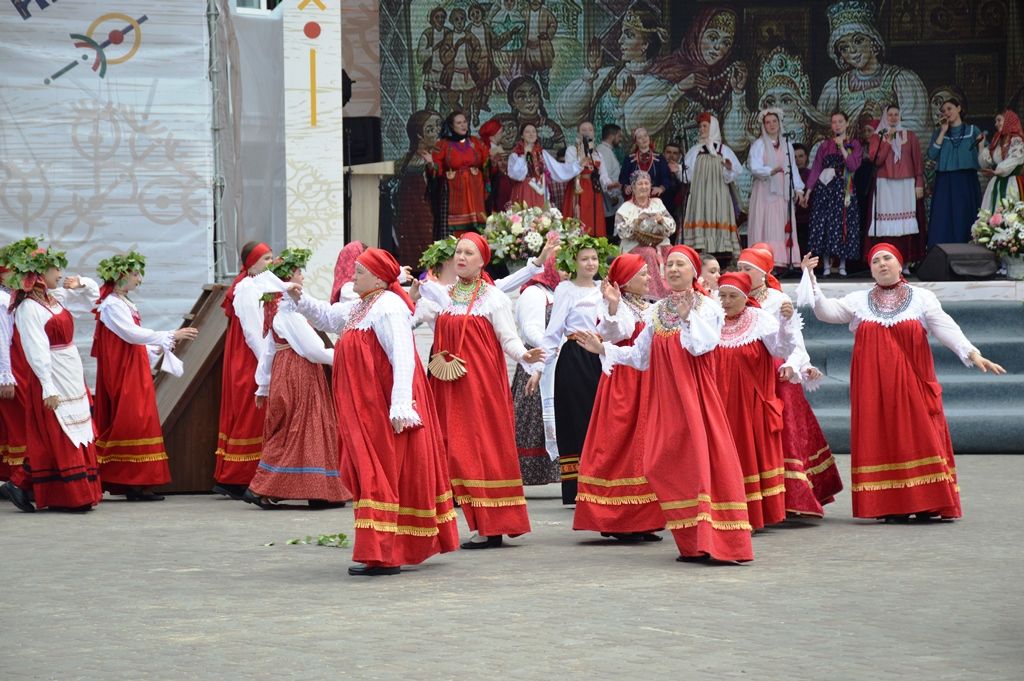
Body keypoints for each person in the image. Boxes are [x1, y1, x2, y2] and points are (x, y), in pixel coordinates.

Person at [801, 243, 1006, 521]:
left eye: (888, 258)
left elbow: (944, 327)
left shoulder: (921, 297)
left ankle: (927, 502)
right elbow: (826, 311)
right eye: (875, 261)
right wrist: (810, 279)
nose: (882, 264)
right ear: (871, 269)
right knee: (880, 437)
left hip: (912, 382)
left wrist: (971, 353)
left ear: (899, 264)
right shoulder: (859, 300)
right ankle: (889, 504)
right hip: (873, 386)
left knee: (918, 436)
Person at [575, 245, 753, 563]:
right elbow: (639, 357)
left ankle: (716, 541)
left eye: (680, 264)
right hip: (665, 399)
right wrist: (602, 349)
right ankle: (690, 540)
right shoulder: (655, 312)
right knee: (660, 463)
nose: (672, 270)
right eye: (668, 264)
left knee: (700, 465)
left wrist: (687, 319)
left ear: (694, 271)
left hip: (696, 398)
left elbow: (702, 346)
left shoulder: (707, 307)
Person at [292, 248, 459, 575]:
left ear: (380, 278)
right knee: (364, 471)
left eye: (360, 271)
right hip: (359, 407)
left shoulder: (389, 306)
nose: (353, 276)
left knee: (376, 473)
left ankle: (383, 553)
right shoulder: (361, 306)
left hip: (378, 409)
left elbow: (403, 356)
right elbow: (327, 317)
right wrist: (300, 297)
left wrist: (399, 403)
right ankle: (380, 548)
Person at [414, 233, 543, 548]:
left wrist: (525, 357)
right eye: (458, 252)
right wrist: (409, 297)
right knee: (449, 450)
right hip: (447, 383)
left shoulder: (493, 297)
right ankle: (444, 521)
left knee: (477, 448)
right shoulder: (443, 296)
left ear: (482, 260)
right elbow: (412, 320)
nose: (461, 257)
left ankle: (492, 523)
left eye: (469, 253)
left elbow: (508, 337)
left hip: (480, 386)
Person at [739, 245, 843, 514]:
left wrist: (793, 364)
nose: (742, 273)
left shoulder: (776, 299)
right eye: (739, 268)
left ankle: (791, 497)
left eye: (747, 269)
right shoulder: (730, 297)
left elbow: (794, 339)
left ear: (763, 274)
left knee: (784, 434)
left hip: (775, 374)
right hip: (744, 373)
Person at [246, 249, 352, 509]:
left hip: (287, 372)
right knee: (307, 427)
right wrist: (345, 358)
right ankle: (288, 489)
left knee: (296, 429)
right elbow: (312, 350)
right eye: (299, 273)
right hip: (300, 374)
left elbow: (269, 351)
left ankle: (313, 490)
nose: (302, 278)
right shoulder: (288, 314)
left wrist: (264, 385)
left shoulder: (277, 311)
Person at [572, 254, 665, 541]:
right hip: (623, 382)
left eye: (648, 273)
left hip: (648, 381)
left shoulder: (652, 308)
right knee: (619, 444)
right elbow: (612, 334)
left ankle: (644, 517)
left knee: (647, 446)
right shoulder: (616, 307)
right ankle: (619, 517)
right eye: (642, 274)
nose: (648, 278)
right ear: (625, 280)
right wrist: (612, 305)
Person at [3, 247, 102, 512]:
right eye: (54, 269)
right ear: (39, 274)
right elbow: (36, 350)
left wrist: (83, 283)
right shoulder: (28, 309)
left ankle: (21, 483)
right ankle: (67, 494)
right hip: (51, 374)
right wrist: (47, 385)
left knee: (67, 430)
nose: (59, 273)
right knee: (56, 432)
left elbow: (95, 301)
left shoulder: (56, 298)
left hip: (70, 370)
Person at [92, 251, 196, 502]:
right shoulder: (111, 305)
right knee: (133, 418)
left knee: (141, 416)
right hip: (123, 370)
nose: (139, 279)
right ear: (121, 275)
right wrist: (170, 334)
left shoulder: (122, 302)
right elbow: (131, 334)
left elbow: (133, 339)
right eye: (136, 274)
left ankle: (137, 482)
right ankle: (129, 480)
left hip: (132, 364)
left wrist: (156, 347)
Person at [529, 235, 616, 505]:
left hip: (602, 355)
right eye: (584, 259)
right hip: (576, 356)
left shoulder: (606, 288)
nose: (590, 263)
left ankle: (604, 482)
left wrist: (612, 303)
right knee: (579, 419)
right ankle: (578, 486)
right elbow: (553, 333)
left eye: (594, 258)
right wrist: (538, 368)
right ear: (574, 262)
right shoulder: (566, 289)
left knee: (605, 419)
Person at [714, 271, 804, 530]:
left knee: (749, 453)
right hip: (720, 400)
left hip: (751, 403)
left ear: (745, 297)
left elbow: (781, 350)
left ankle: (754, 514)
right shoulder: (713, 320)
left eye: (733, 296)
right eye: (722, 296)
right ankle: (726, 512)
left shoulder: (760, 320)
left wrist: (787, 323)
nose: (727, 301)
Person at [815, 0, 929, 156]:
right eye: (844, 47)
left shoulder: (901, 79)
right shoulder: (835, 86)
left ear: (874, 42)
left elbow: (919, 132)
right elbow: (823, 132)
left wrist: (883, 120)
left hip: (888, 164)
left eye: (858, 40)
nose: (852, 50)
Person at [624, 7, 742, 144]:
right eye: (713, 37)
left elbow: (735, 142)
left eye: (726, 43)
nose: (717, 47)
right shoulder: (670, 69)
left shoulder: (723, 81)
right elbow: (633, 120)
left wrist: (738, 93)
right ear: (697, 35)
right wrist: (678, 89)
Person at [214, 241, 274, 499]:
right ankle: (236, 476)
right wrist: (266, 363)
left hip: (252, 356)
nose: (271, 263)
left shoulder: (258, 285)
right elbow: (252, 330)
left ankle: (242, 475)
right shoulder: (247, 289)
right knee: (250, 414)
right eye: (266, 259)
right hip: (250, 357)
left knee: (252, 415)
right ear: (252, 263)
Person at [555, 3, 665, 132]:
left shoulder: (655, 86)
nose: (620, 40)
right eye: (622, 33)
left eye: (629, 35)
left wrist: (624, 105)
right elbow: (566, 116)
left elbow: (635, 137)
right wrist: (590, 74)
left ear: (645, 44)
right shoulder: (609, 75)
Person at [511, 256, 562, 486]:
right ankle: (526, 471)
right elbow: (530, 329)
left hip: (557, 360)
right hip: (537, 358)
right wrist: (552, 344)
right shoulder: (534, 293)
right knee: (533, 415)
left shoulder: (561, 292)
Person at [800, 111, 863, 277]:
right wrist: (808, 191)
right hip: (825, 189)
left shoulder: (854, 144)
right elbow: (816, 168)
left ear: (847, 123)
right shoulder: (824, 145)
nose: (837, 125)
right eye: (834, 122)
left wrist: (842, 147)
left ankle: (842, 264)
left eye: (840, 121)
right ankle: (826, 264)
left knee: (843, 223)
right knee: (825, 224)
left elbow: (853, 166)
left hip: (843, 189)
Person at [864, 104, 926, 271]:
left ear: (900, 116)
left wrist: (919, 183)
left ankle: (905, 262)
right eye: (889, 114)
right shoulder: (878, 136)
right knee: (886, 228)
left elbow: (917, 161)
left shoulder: (910, 136)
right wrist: (888, 141)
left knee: (905, 226)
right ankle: (886, 262)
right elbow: (876, 160)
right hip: (884, 184)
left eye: (896, 114)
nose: (893, 118)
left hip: (905, 184)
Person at [748, 110, 805, 270]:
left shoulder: (787, 145)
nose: (771, 125)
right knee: (767, 224)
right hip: (765, 190)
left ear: (779, 123)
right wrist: (771, 170)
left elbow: (792, 168)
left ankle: (783, 261)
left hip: (782, 191)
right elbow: (754, 167)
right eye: (768, 122)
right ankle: (764, 261)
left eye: (774, 121)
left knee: (781, 226)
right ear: (763, 125)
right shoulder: (759, 144)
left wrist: (799, 189)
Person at [682, 112, 743, 263]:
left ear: (713, 127)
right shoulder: (695, 151)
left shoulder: (724, 150)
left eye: (705, 126)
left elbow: (734, 174)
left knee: (719, 218)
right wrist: (677, 170)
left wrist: (728, 168)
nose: (701, 129)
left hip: (719, 195)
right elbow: (688, 176)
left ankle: (722, 257)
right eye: (700, 127)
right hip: (700, 196)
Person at [926, 98, 982, 246]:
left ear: (959, 108)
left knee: (964, 215)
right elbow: (931, 154)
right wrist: (943, 131)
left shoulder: (972, 130)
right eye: (943, 111)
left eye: (949, 108)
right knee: (943, 216)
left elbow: (984, 156)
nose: (946, 112)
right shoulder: (940, 132)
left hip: (966, 180)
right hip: (945, 180)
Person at [426, 111, 491, 237]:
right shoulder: (443, 145)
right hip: (454, 192)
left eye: (465, 122)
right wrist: (430, 164)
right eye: (459, 123)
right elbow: (437, 171)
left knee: (478, 232)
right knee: (454, 235)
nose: (463, 125)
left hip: (475, 192)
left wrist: (492, 162)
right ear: (452, 126)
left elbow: (487, 165)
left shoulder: (476, 143)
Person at [614, 170, 675, 298]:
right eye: (640, 184)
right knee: (649, 252)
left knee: (672, 252)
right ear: (633, 188)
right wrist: (638, 220)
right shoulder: (625, 208)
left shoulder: (657, 203)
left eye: (646, 183)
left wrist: (662, 220)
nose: (644, 187)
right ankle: (654, 295)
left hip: (659, 242)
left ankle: (674, 292)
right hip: (634, 246)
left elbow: (672, 226)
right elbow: (621, 232)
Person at [395, 110, 443, 268]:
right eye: (430, 129)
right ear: (419, 136)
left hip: (434, 212)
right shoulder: (408, 159)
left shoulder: (442, 155)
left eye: (438, 126)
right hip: (414, 217)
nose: (436, 132)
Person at [507, 123, 580, 208]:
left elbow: (558, 169)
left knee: (541, 218)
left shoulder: (542, 153)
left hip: (540, 191)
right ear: (522, 136)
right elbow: (516, 175)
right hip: (524, 191)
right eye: (527, 132)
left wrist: (578, 165)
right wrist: (526, 155)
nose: (531, 134)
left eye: (534, 132)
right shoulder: (516, 155)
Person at [563, 121, 609, 236]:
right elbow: (569, 170)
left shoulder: (598, 154)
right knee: (578, 220)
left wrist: (610, 185)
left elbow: (603, 175)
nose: (587, 132)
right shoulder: (572, 150)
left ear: (594, 133)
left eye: (590, 130)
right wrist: (583, 155)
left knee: (594, 220)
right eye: (583, 130)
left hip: (594, 190)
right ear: (578, 134)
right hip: (577, 189)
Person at [978, 109, 1024, 212]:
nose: (996, 124)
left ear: (1008, 121)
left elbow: (1014, 159)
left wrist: (998, 170)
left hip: (1013, 183)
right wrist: (981, 146)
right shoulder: (997, 141)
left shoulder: (1017, 140)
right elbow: (985, 162)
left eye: (999, 120)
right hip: (997, 183)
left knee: (1011, 214)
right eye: (995, 121)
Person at [416, 7, 453, 113]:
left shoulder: (448, 33)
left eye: (442, 17)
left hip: (445, 74)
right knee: (430, 102)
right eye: (437, 17)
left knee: (446, 101)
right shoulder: (427, 34)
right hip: (432, 72)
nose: (440, 19)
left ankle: (444, 123)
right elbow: (420, 57)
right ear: (432, 19)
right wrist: (433, 49)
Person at [619, 127, 673, 198]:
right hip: (635, 198)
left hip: (654, 198)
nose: (644, 139)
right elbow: (623, 179)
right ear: (636, 142)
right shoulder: (629, 159)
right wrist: (626, 187)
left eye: (645, 136)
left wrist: (661, 188)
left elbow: (666, 178)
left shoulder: (660, 158)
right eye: (640, 137)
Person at [597, 124, 625, 235]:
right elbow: (604, 178)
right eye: (619, 136)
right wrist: (613, 197)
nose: (620, 139)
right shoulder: (603, 151)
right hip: (608, 204)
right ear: (612, 136)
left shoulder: (606, 150)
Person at [793, 143, 813, 252]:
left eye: (801, 156)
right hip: (791, 222)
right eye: (794, 157)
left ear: (806, 157)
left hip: (808, 222)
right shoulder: (787, 177)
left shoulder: (811, 176)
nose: (798, 160)